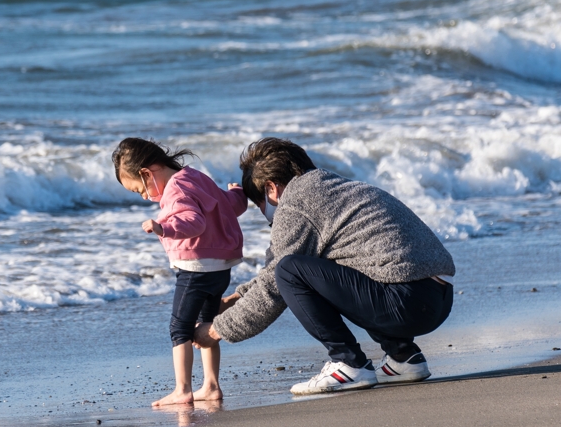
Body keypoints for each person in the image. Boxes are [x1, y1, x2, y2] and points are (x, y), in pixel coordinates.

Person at [194, 138, 455, 395]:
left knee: (289, 270)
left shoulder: (295, 204)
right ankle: (404, 358)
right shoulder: (331, 188)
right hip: (436, 298)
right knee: (332, 262)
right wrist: (236, 298)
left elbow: (276, 282)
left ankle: (349, 364)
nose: (264, 212)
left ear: (271, 188)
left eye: (259, 203)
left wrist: (218, 330)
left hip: (406, 303)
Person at [112, 137, 247, 406]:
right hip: (220, 268)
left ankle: (182, 389)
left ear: (147, 173)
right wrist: (239, 194)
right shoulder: (196, 177)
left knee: (179, 328)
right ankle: (211, 385)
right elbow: (230, 205)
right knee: (206, 325)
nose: (145, 196)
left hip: (195, 268)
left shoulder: (175, 189)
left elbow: (193, 223)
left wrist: (164, 228)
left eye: (140, 189)